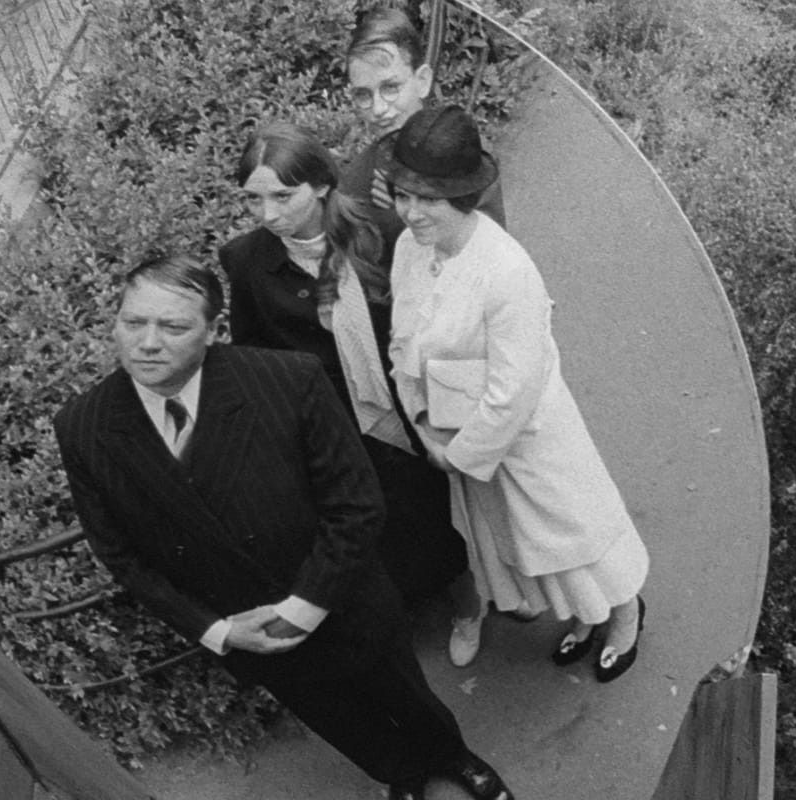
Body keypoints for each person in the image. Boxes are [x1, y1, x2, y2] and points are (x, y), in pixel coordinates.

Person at [52, 256, 513, 800]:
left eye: (173, 326)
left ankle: (452, 757)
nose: (147, 343)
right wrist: (218, 632)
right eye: (133, 322)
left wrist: (302, 607)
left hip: (343, 599)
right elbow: (122, 556)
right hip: (245, 628)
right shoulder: (84, 427)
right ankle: (401, 776)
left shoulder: (287, 381)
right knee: (335, 718)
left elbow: (356, 504)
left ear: (214, 332)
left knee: (403, 692)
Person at [380, 105, 650, 683]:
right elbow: (404, 338)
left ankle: (624, 613)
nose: (411, 211)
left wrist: (455, 455)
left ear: (464, 195)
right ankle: (585, 615)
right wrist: (422, 418)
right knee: (527, 543)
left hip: (523, 434)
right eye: (403, 194)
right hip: (457, 428)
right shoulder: (409, 248)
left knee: (572, 529)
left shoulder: (506, 271)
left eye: (429, 198)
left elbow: (513, 390)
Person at [220, 122, 467, 606]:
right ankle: (413, 602)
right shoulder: (245, 260)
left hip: (405, 404)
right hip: (331, 426)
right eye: (252, 200)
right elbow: (255, 354)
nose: (267, 215)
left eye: (283, 197)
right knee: (376, 520)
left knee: (436, 506)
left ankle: (465, 602)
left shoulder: (381, 233)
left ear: (321, 185)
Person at [342, 5, 504, 259]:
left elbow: (492, 253)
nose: (379, 109)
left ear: (423, 81)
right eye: (363, 94)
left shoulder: (467, 155)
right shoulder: (356, 182)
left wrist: (407, 212)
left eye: (391, 87)